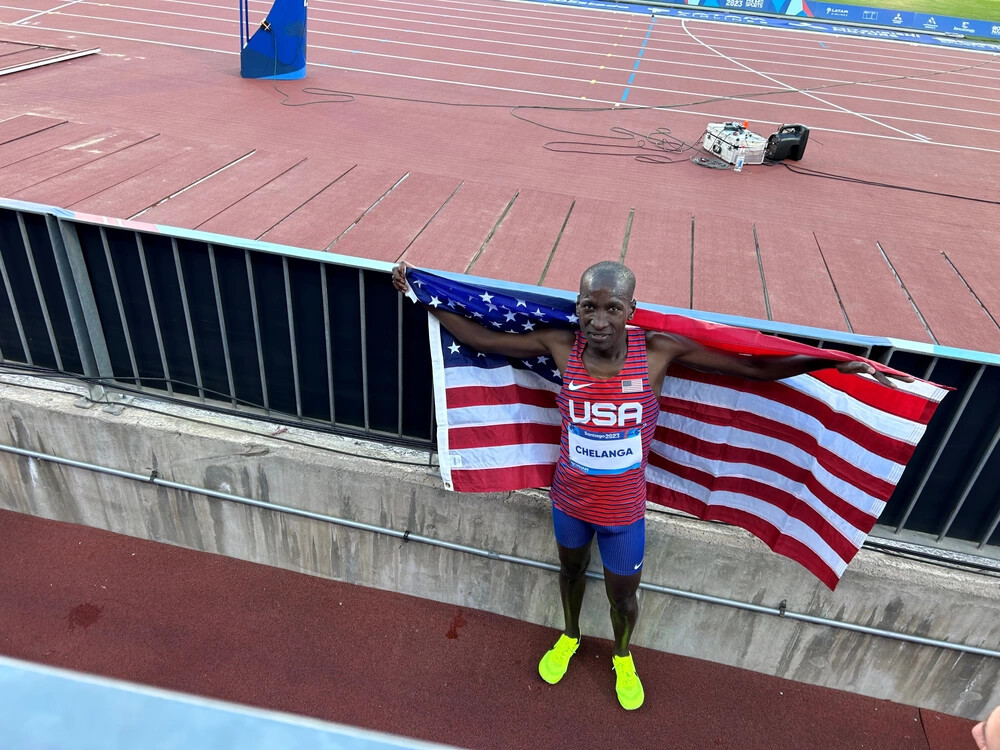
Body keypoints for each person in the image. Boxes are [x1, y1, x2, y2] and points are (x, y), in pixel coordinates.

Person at [392, 259, 908, 711]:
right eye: (588, 307)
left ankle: (622, 656)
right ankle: (570, 636)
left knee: (623, 599)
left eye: (611, 309)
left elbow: (752, 368)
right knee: (569, 573)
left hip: (624, 514)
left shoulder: (658, 351)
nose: (598, 321)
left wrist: (832, 360)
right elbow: (484, 340)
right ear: (577, 307)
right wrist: (420, 293)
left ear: (631, 310)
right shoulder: (560, 343)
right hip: (569, 500)